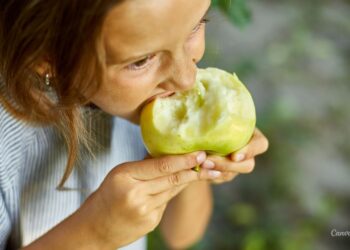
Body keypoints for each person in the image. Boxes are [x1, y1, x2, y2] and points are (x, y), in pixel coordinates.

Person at [0, 0, 269, 249]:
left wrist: (199, 163)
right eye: (141, 61)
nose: (186, 79)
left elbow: (182, 234)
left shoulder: (153, 87)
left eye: (196, 26)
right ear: (47, 59)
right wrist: (93, 234)